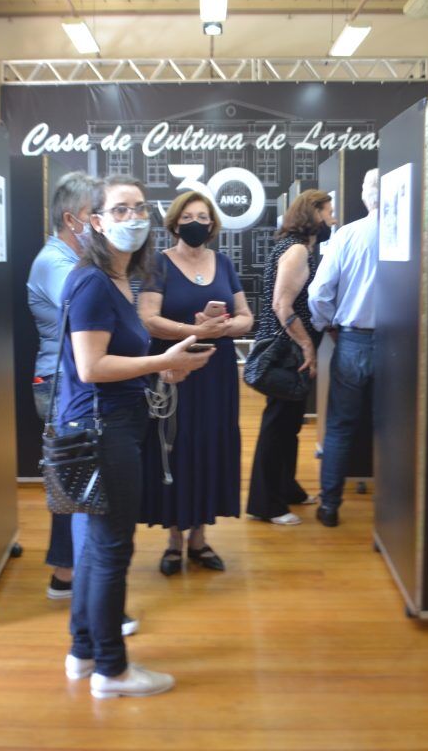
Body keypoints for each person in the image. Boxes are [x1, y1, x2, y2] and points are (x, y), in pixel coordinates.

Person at [56, 175, 212, 699]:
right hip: (103, 429)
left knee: (98, 548)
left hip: (116, 421)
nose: (134, 218)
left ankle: (83, 652)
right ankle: (112, 670)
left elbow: (117, 358)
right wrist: (160, 361)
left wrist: (161, 371)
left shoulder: (124, 280)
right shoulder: (93, 282)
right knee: (110, 549)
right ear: (96, 222)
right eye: (120, 211)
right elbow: (91, 366)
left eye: (140, 208)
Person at [138, 191, 254, 575]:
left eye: (203, 216)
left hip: (217, 374)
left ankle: (200, 538)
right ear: (174, 222)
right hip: (173, 370)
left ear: (212, 224)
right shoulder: (159, 263)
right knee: (175, 446)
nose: (196, 222)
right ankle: (173, 540)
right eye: (188, 215)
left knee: (210, 445)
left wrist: (220, 329)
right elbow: (149, 318)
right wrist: (194, 330)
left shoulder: (223, 263)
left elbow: (246, 318)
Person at [26, 172, 98, 600]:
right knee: (76, 477)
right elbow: (86, 309)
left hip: (69, 380)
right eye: (96, 215)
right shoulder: (55, 263)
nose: (102, 223)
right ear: (72, 220)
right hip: (58, 383)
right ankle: (77, 580)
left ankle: (65, 573)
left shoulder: (72, 261)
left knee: (74, 475)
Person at [246, 190, 336, 525]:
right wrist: (308, 347)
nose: (332, 219)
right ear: (313, 213)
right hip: (286, 350)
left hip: (290, 349)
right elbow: (281, 307)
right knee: (278, 425)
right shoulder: (297, 250)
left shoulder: (296, 247)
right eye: (329, 212)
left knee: (289, 425)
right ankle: (266, 503)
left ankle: (287, 489)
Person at [307, 169, 379, 527]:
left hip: (353, 340)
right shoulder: (416, 232)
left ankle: (330, 506)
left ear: (366, 195)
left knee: (338, 426)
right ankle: (399, 510)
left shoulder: (347, 235)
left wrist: (328, 325)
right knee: (399, 427)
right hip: (405, 345)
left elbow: (319, 293)